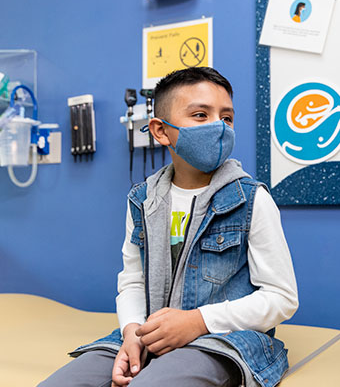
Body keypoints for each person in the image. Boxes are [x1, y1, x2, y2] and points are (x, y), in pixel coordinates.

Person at [40, 67, 299, 387]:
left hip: (221, 342)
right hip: (151, 335)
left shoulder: (251, 200)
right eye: (201, 115)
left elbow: (282, 298)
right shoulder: (142, 200)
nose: (218, 127)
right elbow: (132, 281)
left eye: (227, 118)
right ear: (161, 131)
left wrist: (198, 321)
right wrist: (132, 331)